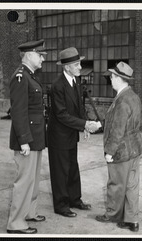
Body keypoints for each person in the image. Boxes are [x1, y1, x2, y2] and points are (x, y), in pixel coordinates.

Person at [47, 47, 101, 218]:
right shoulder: (57, 86)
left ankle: (75, 200)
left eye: (79, 64)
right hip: (59, 136)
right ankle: (61, 205)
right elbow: (61, 115)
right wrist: (85, 124)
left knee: (72, 168)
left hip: (70, 134)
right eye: (77, 64)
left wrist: (84, 125)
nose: (80, 67)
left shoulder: (76, 82)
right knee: (60, 171)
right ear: (67, 67)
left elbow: (78, 107)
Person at [95, 62, 142, 232]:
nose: (110, 80)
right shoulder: (133, 96)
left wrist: (110, 151)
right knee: (131, 185)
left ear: (118, 78)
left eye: (112, 77)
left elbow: (117, 130)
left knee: (116, 184)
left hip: (122, 150)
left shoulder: (122, 101)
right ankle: (132, 220)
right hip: (135, 148)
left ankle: (112, 214)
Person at [7, 39, 47, 234]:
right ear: (29, 55)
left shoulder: (30, 76)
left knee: (33, 179)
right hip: (26, 139)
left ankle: (29, 213)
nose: (42, 59)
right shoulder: (20, 77)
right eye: (40, 55)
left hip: (35, 137)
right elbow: (18, 112)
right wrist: (23, 140)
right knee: (24, 181)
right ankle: (15, 223)